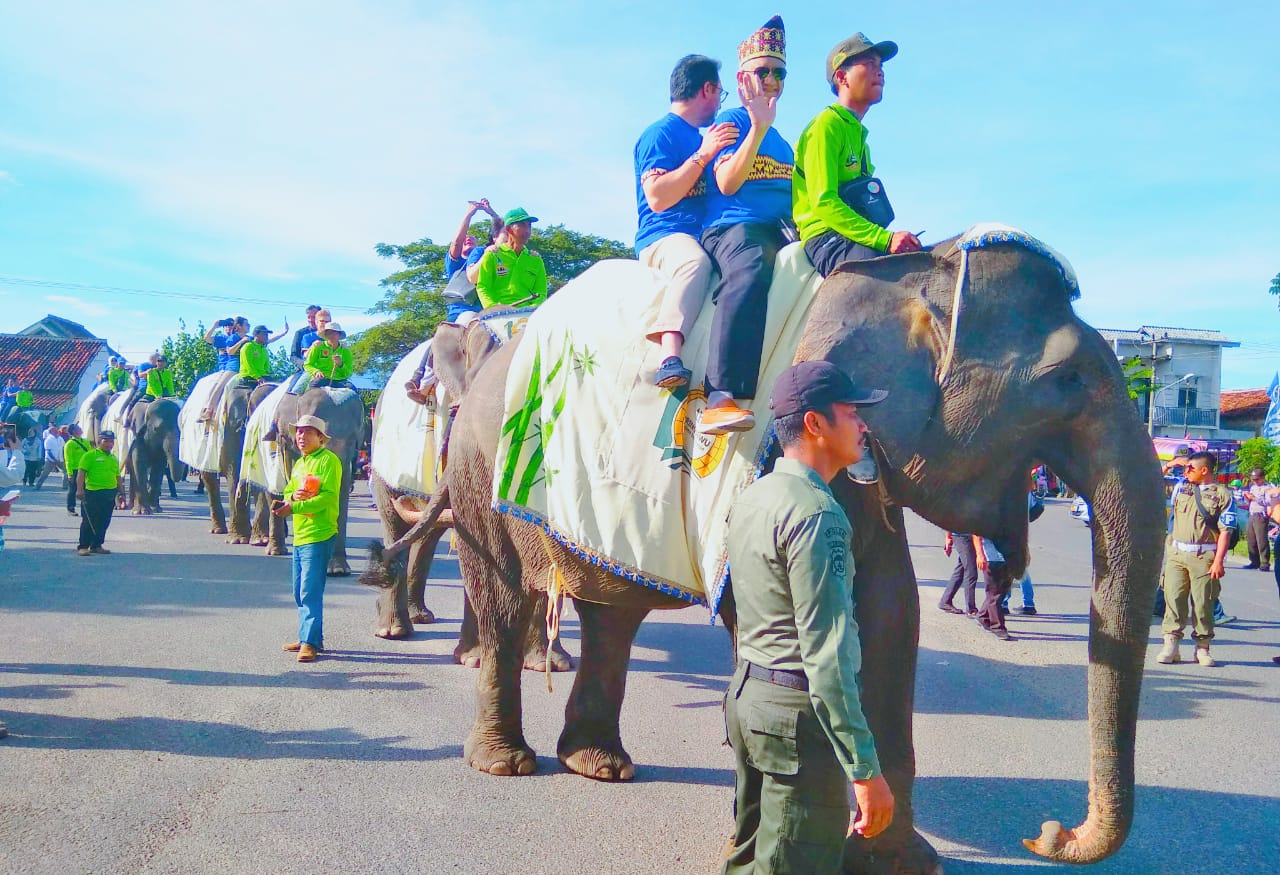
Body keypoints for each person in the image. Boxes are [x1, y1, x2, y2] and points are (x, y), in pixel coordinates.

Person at [723, 360, 893, 872]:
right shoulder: (817, 514)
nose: (863, 424)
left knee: (752, 854)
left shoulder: (755, 496)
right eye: (852, 412)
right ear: (816, 425)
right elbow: (827, 656)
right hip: (796, 717)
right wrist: (865, 771)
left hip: (749, 696)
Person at [697, 16, 795, 436]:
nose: (771, 80)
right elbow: (727, 181)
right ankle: (720, 395)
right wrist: (756, 128)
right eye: (762, 72)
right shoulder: (732, 124)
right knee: (751, 266)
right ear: (742, 80)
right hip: (734, 229)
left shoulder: (786, 144)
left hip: (781, 229)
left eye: (779, 73)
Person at [635, 54, 737, 390]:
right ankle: (669, 356)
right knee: (693, 262)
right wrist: (704, 155)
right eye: (720, 93)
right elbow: (658, 197)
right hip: (666, 236)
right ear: (707, 89)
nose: (720, 103)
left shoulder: (701, 137)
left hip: (705, 233)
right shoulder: (660, 134)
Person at [793, 33, 921, 278]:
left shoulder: (860, 138)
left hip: (851, 236)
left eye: (880, 65)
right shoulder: (826, 125)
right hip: (825, 238)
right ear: (842, 77)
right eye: (870, 64)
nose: (880, 71)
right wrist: (883, 239)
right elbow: (824, 202)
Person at [272, 414, 342, 662]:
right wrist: (287, 500)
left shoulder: (328, 461)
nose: (301, 437)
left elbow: (328, 497)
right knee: (298, 591)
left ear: (320, 437)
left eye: (307, 432)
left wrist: (294, 507)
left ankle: (309, 643)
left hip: (319, 533)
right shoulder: (301, 464)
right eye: (299, 432)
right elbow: (290, 490)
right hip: (300, 535)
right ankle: (308, 637)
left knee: (309, 590)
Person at [1157, 451, 1232, 667]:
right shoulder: (1181, 487)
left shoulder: (1222, 495)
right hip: (1177, 554)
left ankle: (1202, 647)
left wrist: (1218, 560)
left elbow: (1226, 530)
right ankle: (1171, 644)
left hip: (1204, 555)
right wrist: (1171, 465)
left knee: (1203, 603)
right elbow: (1154, 482)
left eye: (1191, 468)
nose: (1186, 471)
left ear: (1204, 470)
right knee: (1174, 598)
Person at [474, 208, 548, 309]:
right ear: (508, 229)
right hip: (497, 315)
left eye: (529, 225)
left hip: (527, 315)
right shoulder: (492, 255)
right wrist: (493, 308)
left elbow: (541, 292)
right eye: (522, 225)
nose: (527, 230)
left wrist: (532, 309)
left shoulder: (536, 260)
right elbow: (483, 287)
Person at [75, 430, 121, 556]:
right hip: (93, 493)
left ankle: (96, 545)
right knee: (89, 520)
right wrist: (79, 490)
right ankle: (83, 546)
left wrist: (121, 492)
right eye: (105, 441)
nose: (109, 444)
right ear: (99, 441)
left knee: (104, 521)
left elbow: (117, 476)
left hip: (110, 493)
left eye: (111, 441)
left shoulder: (113, 458)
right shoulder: (89, 456)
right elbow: (81, 473)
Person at [974, 535, 1015, 640]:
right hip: (991, 559)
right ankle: (998, 627)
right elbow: (976, 535)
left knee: (1002, 592)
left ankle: (982, 616)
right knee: (995, 594)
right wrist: (980, 555)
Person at [298, 322, 354, 391]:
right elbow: (307, 364)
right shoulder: (318, 347)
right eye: (329, 333)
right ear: (325, 335)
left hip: (340, 381)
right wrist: (316, 372)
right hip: (322, 379)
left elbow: (348, 373)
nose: (331, 335)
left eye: (334, 333)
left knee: (352, 389)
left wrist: (340, 364)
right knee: (314, 385)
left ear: (339, 335)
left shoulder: (346, 351)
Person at [938, 531, 979, 616]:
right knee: (971, 572)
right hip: (962, 537)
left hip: (969, 537)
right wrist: (948, 538)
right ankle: (971, 609)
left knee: (961, 570)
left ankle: (945, 601)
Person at [237, 324, 287, 388]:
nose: (267, 337)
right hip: (248, 378)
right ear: (256, 335)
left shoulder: (264, 349)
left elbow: (267, 367)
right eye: (264, 334)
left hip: (263, 377)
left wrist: (270, 375)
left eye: (267, 335)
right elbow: (248, 365)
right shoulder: (248, 346)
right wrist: (257, 377)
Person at [1243, 467, 1272, 571]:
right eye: (1253, 479)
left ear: (1262, 478)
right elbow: (1249, 502)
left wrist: (1254, 498)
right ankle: (1254, 561)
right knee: (1251, 539)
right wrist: (1247, 497)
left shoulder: (1267, 488)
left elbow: (1268, 502)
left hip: (1260, 515)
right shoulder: (1253, 487)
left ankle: (1265, 563)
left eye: (1257, 479)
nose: (1254, 481)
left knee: (1261, 540)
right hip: (1252, 513)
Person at [62, 424, 91, 516]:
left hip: (85, 469)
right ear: (74, 431)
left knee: (86, 489)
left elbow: (90, 455)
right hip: (75, 470)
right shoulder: (69, 444)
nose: (81, 429)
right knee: (73, 490)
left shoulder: (86, 441)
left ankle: (86, 508)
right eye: (78, 428)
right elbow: (68, 460)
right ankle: (70, 508)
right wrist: (69, 473)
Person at [35, 424, 67, 490]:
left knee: (66, 472)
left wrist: (64, 457)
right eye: (54, 430)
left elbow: (63, 448)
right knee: (45, 474)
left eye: (56, 429)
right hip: (50, 460)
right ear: (51, 432)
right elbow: (48, 451)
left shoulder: (60, 439)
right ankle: (37, 486)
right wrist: (54, 459)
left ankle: (65, 486)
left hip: (60, 459)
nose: (57, 430)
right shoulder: (48, 440)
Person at [290, 306, 322, 371]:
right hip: (303, 370)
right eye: (309, 317)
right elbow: (293, 356)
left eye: (314, 317)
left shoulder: (329, 333)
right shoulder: (300, 333)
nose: (311, 320)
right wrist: (304, 365)